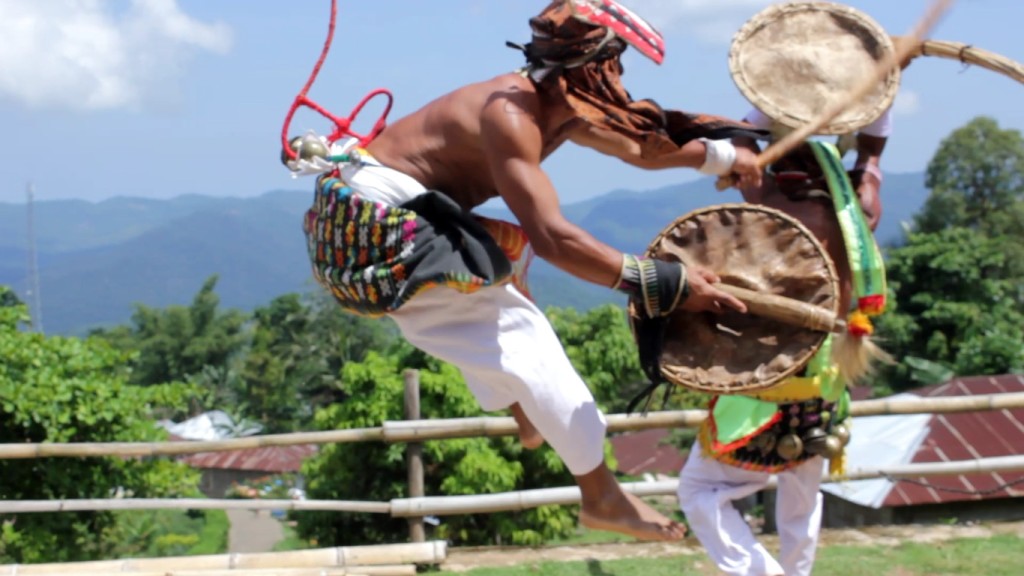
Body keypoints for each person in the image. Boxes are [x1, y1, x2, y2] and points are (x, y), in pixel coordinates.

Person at [286, 0, 766, 542]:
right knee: (525, 335)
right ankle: (601, 494)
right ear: (593, 66)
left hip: (388, 215)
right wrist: (672, 284)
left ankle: (525, 410)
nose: (622, 78)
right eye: (618, 63)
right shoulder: (511, 115)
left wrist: (726, 159)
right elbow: (557, 238)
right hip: (377, 230)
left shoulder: (559, 104)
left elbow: (639, 148)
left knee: (508, 268)